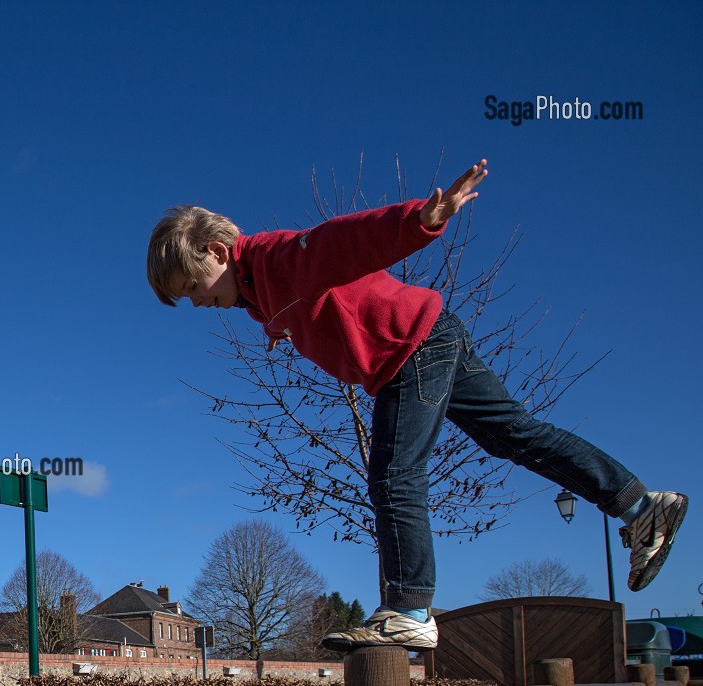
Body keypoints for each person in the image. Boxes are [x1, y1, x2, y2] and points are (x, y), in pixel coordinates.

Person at [147, 159, 687, 651]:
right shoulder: (258, 291)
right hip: (433, 335)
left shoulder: (274, 257)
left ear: (218, 252)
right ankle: (641, 507)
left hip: (411, 349)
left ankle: (409, 607)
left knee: (394, 470)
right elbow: (303, 302)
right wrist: (283, 326)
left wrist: (421, 218)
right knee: (513, 433)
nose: (197, 302)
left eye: (194, 286)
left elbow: (346, 241)